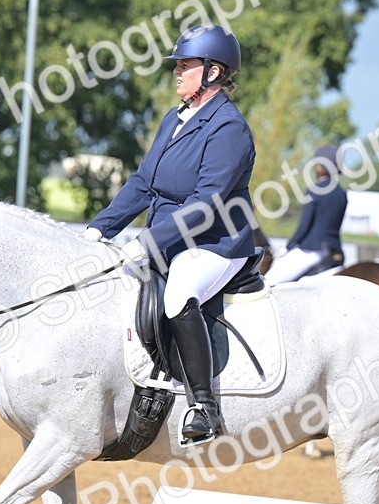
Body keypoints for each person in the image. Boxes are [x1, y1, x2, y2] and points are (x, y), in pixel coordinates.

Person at [83, 23, 256, 445]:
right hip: (169, 237)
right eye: (176, 65)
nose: (176, 72)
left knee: (179, 294)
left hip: (215, 242)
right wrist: (99, 228)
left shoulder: (228, 128)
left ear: (214, 72)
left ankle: (203, 407)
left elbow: (206, 202)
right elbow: (144, 182)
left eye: (185, 65)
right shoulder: (174, 119)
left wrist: (147, 242)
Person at [263, 144, 348, 286]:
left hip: (312, 250)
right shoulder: (342, 194)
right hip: (335, 252)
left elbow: (304, 226)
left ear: (319, 167)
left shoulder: (315, 190)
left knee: (268, 282)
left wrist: (288, 247)